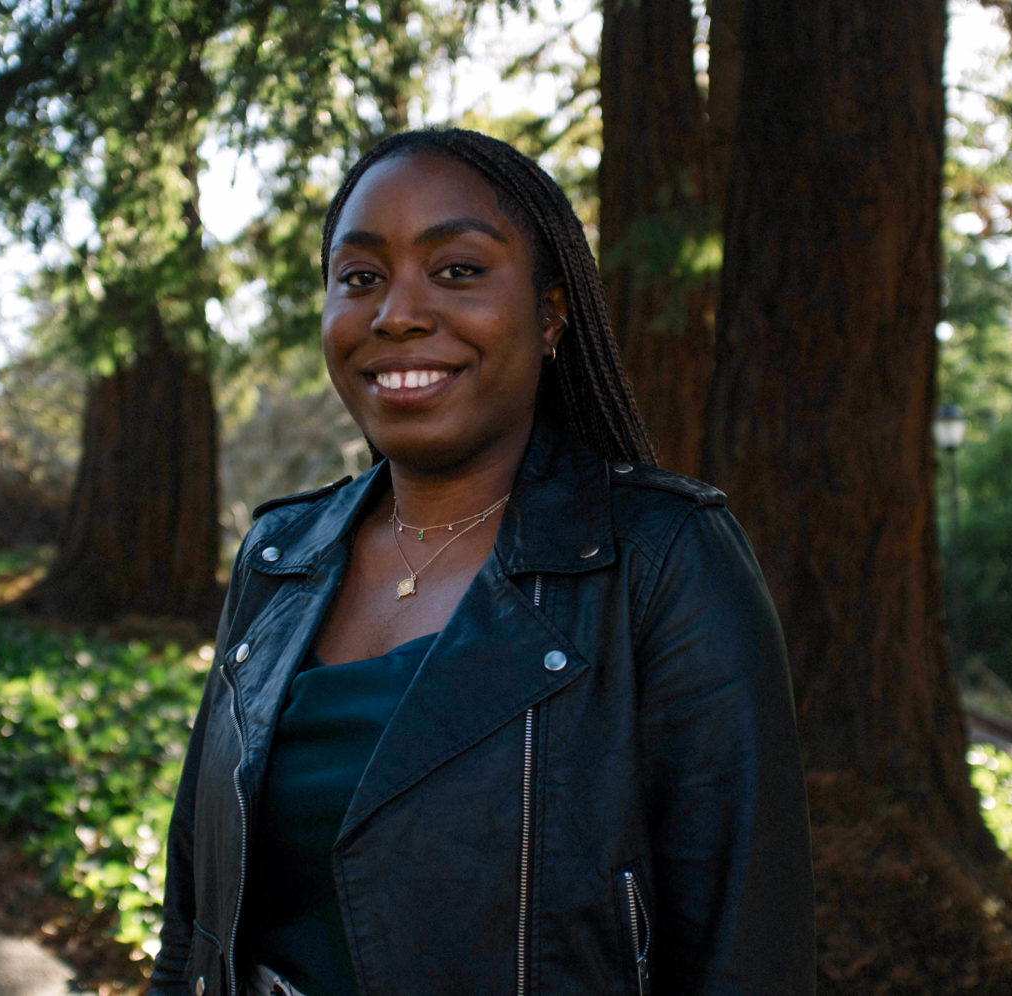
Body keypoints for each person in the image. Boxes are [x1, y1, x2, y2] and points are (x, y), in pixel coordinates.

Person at [150, 128, 814, 996]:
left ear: (550, 314)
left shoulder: (660, 561)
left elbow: (745, 959)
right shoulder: (279, 559)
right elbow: (190, 929)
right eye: (360, 278)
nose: (396, 313)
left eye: (457, 270)